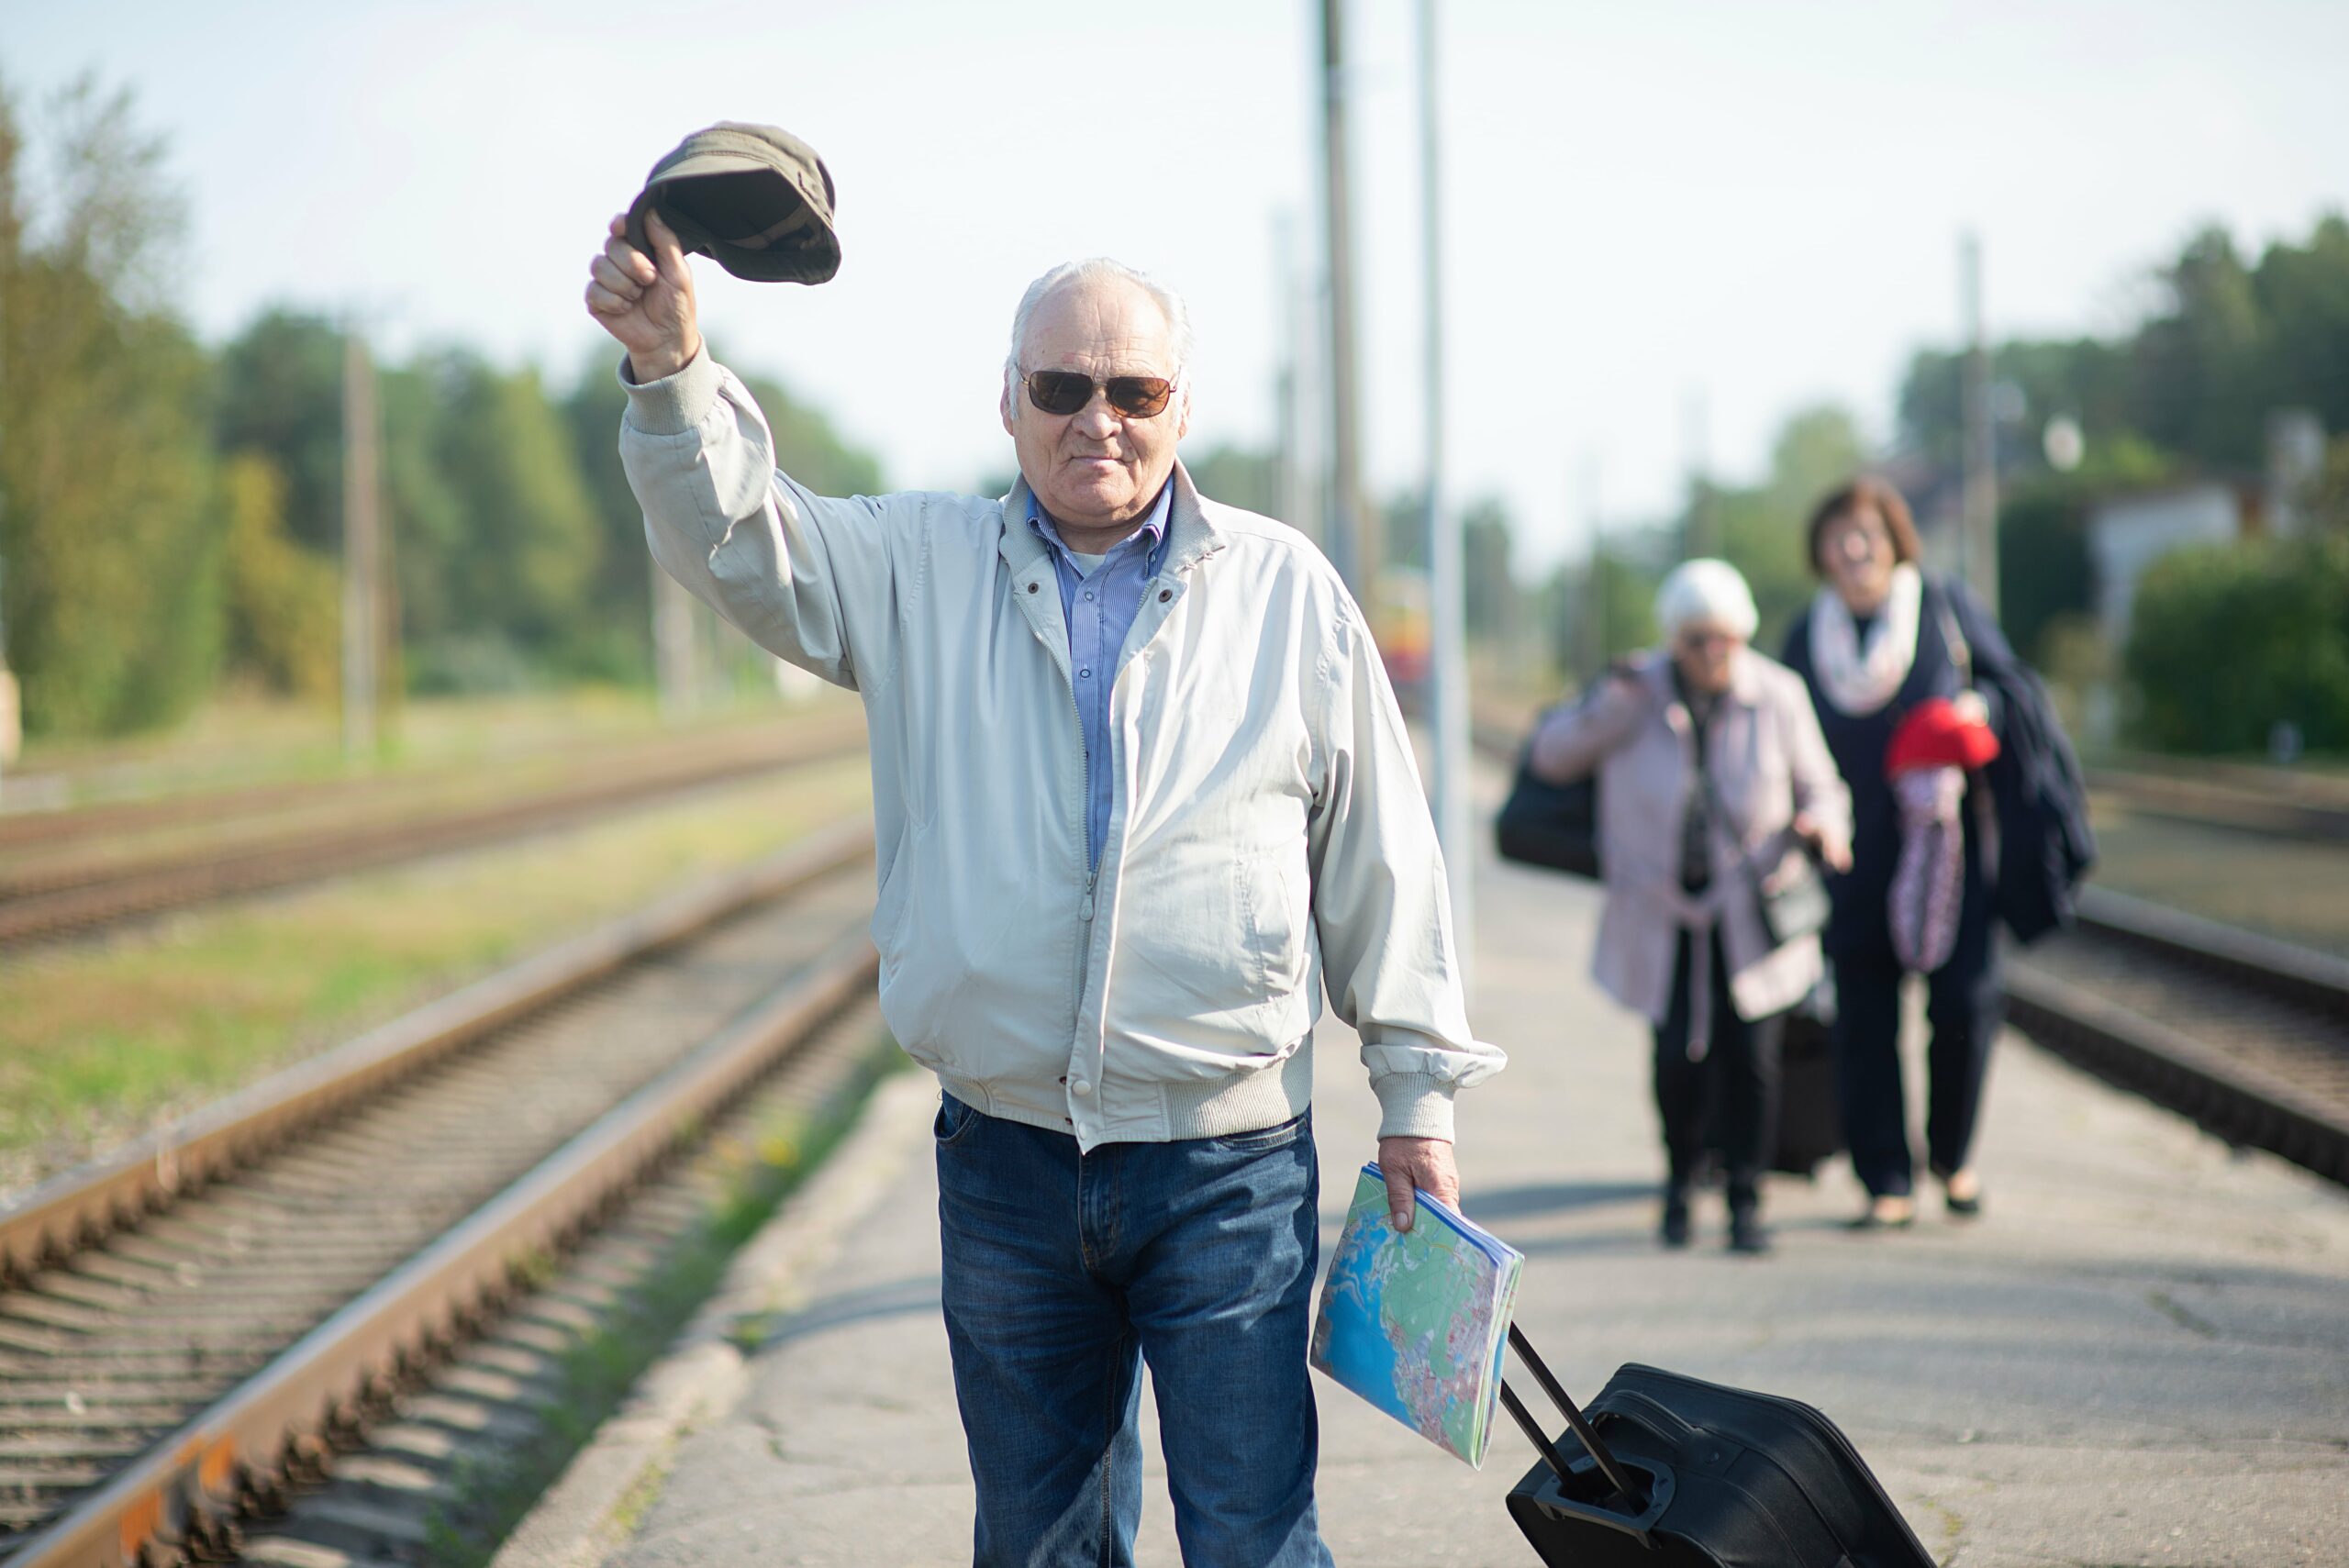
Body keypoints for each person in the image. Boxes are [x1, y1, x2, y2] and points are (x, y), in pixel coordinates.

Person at [584, 211, 1503, 1568]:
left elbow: (1382, 853)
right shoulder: (916, 565)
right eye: (1062, 388)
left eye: (1134, 391)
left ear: (1183, 407)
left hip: (1227, 1163)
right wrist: (674, 376)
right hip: (1008, 1157)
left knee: (1253, 1537)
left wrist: (1417, 1099)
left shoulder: (1286, 592)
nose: (1099, 421)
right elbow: (742, 539)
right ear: (1008, 401)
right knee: (1040, 1546)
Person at [1529, 561, 1849, 1254]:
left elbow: (1824, 787)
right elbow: (1551, 757)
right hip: (1660, 913)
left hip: (1751, 907)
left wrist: (1826, 827)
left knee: (1754, 1059)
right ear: (1675, 637)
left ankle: (1746, 1199)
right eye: (1697, 638)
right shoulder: (1633, 690)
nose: (1712, 652)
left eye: (1725, 638)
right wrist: (1609, 706)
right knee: (1676, 1058)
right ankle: (1678, 1186)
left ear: (1743, 636)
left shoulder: (1778, 693)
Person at [1780, 478, 2019, 1229]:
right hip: (1853, 857)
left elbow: (2013, 691)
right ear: (1821, 551)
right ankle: (1886, 1178)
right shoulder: (1802, 636)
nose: (1855, 550)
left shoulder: (1945, 609)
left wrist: (1978, 712)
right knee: (1864, 1024)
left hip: (1945, 855)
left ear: (1895, 544)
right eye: (1840, 537)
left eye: (1869, 535)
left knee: (1964, 1007)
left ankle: (1953, 1158)